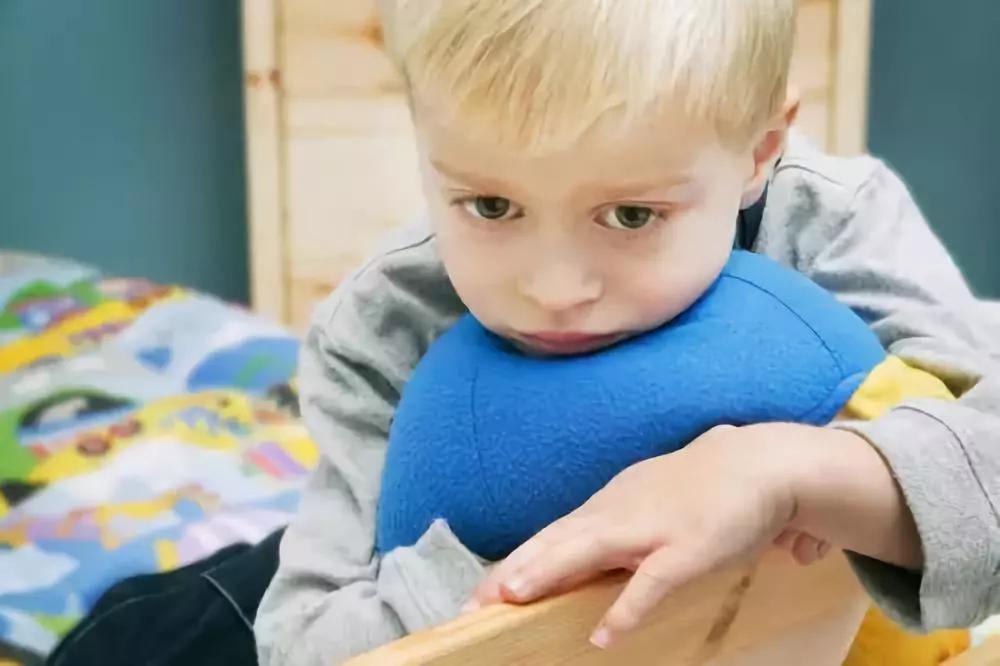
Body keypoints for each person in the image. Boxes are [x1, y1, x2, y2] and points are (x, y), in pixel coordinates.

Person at [254, 0, 1000, 663]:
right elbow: (303, 642)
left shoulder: (830, 223)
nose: (554, 290)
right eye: (488, 205)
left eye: (632, 216)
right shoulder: (388, 322)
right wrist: (535, 558)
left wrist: (780, 473)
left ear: (760, 150)